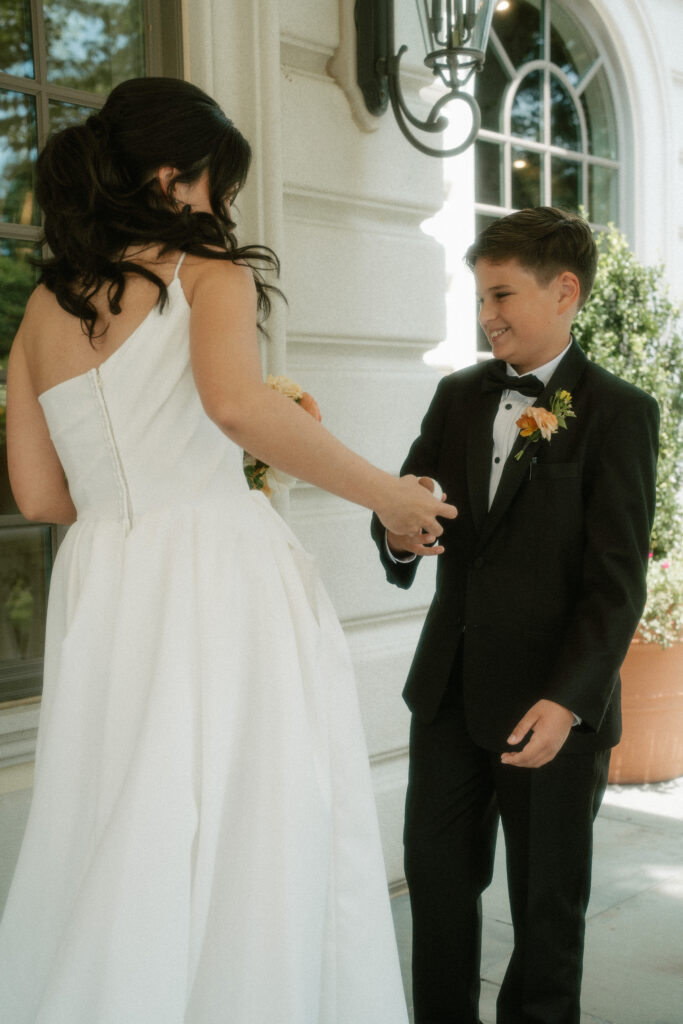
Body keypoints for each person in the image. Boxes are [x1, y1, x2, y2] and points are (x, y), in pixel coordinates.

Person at [0, 76, 456, 1024]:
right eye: (218, 184)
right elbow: (236, 406)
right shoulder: (208, 271)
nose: (224, 207)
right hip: (214, 573)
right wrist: (389, 496)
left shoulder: (40, 315)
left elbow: (43, 496)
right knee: (256, 816)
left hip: (105, 582)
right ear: (172, 176)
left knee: (121, 824)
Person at [371, 207, 659, 1024]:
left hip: (551, 712)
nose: (485, 314)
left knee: (546, 910)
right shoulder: (457, 396)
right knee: (435, 887)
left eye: (501, 294)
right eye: (479, 297)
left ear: (564, 291)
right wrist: (399, 526)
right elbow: (405, 508)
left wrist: (570, 700)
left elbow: (615, 583)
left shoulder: (619, 412)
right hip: (449, 698)